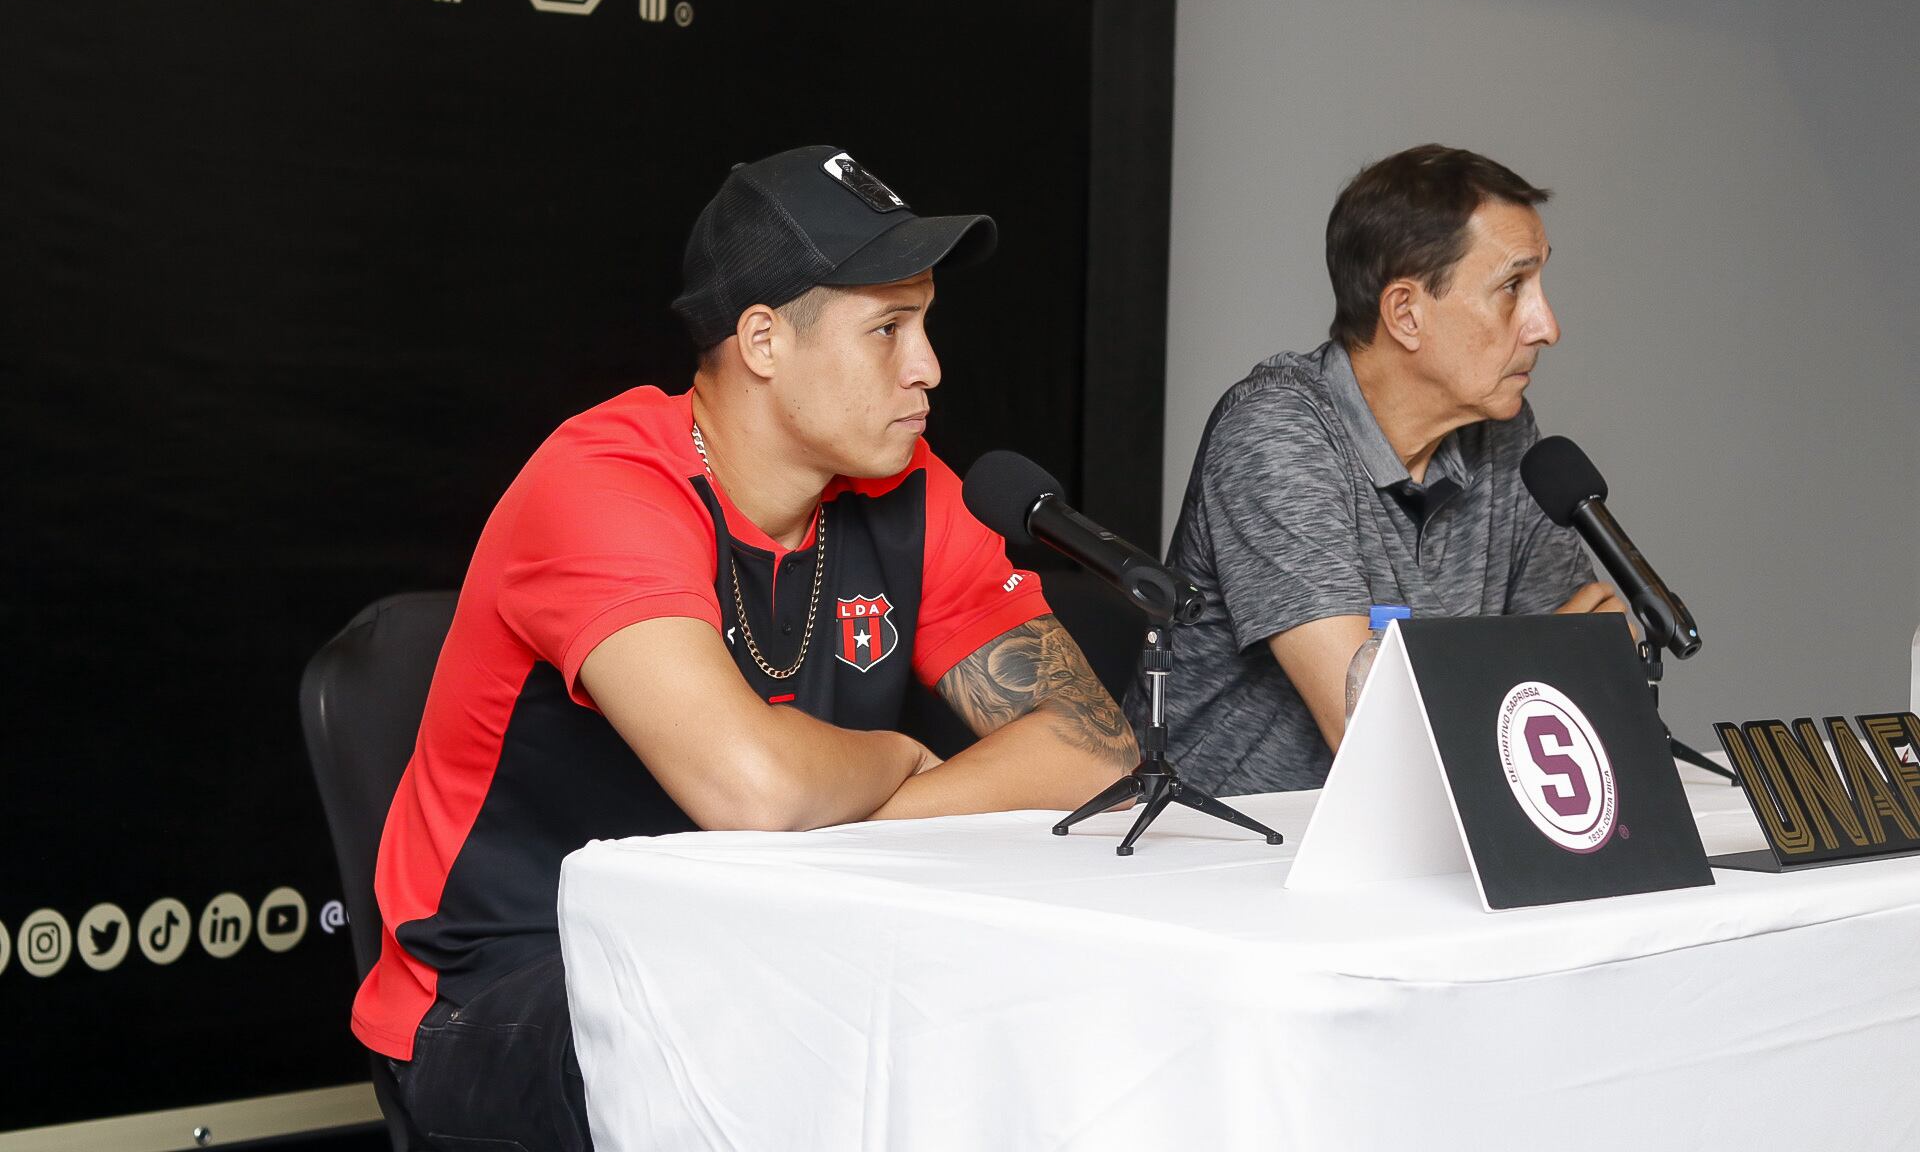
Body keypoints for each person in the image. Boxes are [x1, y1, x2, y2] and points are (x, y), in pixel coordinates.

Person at [353, 145, 1139, 1149]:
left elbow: (1092, 744)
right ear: (763, 340)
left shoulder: (915, 489)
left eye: (927, 323)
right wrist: (901, 756)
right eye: (889, 328)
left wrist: (863, 805)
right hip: (503, 987)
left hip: (773, 948)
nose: (929, 366)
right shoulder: (602, 481)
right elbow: (752, 793)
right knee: (785, 1050)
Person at [1129, 144, 1622, 796]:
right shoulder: (1274, 430)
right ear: (1406, 313)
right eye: (1512, 287)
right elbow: (1373, 733)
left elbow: (1598, 679)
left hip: (1433, 836)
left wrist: (1520, 674)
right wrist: (1535, 666)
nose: (1546, 326)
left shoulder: (1505, 435)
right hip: (1226, 853)